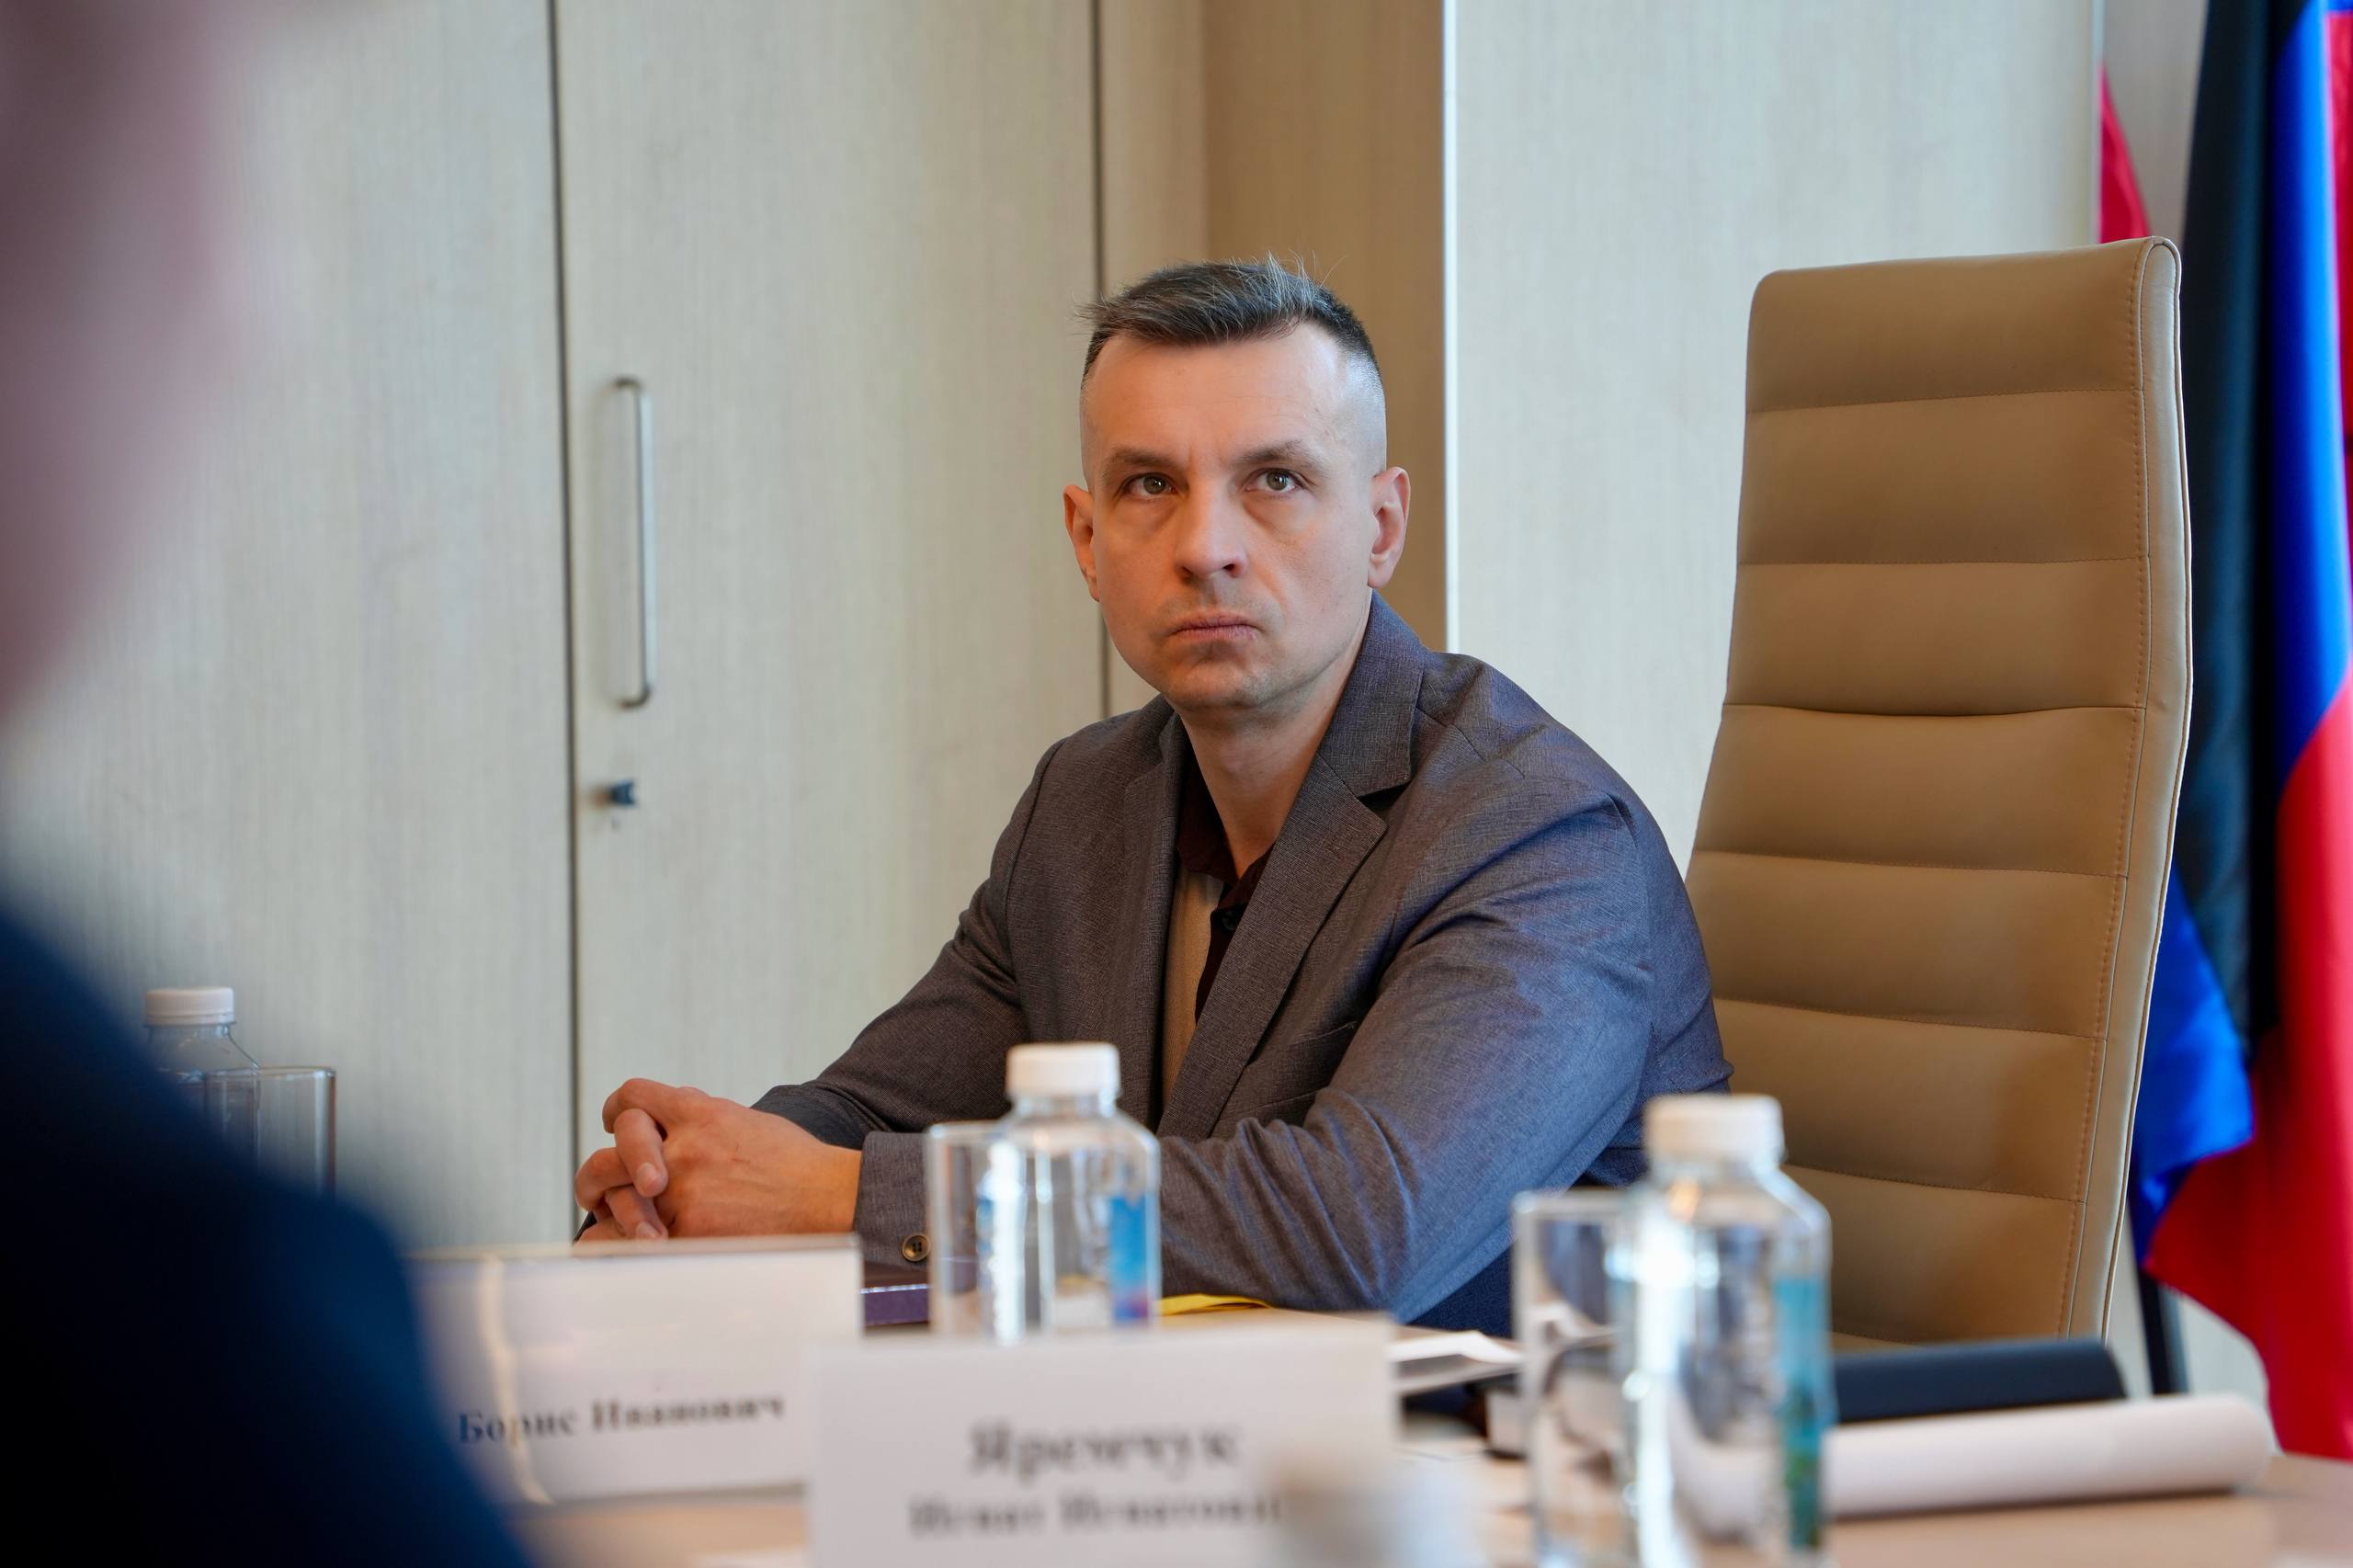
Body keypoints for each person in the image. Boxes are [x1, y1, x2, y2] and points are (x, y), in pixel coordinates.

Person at [577, 259, 1728, 1334]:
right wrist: (688, 1175)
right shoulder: (1084, 803)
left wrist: (829, 1195)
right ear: (1087, 539)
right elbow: (881, 1109)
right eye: (1149, 486)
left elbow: (1363, 1227)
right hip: (1183, 1434)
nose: (1204, 544)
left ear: (1380, 527)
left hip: (1504, 1462)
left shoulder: (1536, 830)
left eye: (1274, 480)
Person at [0, 6, 528, 1560]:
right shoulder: (131, 1265)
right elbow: (882, 1088)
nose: (256, 305)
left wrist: (816, 1179)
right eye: (208, 129)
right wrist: (733, 1149)